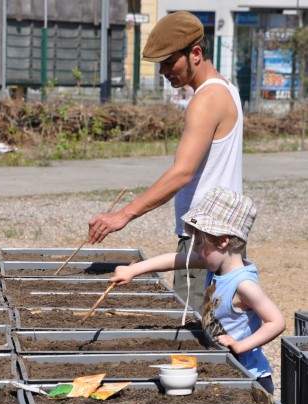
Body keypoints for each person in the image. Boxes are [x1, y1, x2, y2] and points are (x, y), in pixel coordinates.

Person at [87, 11, 243, 313]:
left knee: (195, 328)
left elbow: (182, 173)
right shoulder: (226, 89)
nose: (163, 70)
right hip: (219, 233)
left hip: (207, 238)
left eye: (169, 61)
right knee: (213, 325)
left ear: (195, 53)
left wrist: (124, 215)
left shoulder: (207, 99)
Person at [110, 187, 285, 394]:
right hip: (225, 367)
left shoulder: (243, 285)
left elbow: (276, 322)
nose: (195, 250)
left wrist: (241, 345)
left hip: (249, 378)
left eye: (200, 242)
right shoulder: (215, 263)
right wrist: (133, 270)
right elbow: (174, 260)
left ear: (223, 241)